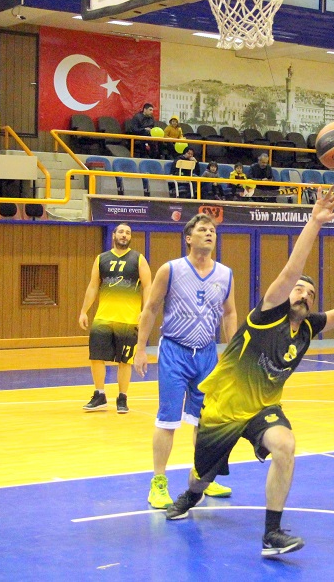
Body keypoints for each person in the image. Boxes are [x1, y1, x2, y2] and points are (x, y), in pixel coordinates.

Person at [165, 187, 334, 557]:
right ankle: (191, 496)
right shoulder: (266, 315)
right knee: (203, 475)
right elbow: (291, 271)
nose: (303, 295)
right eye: (298, 290)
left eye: (310, 293)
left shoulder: (307, 328)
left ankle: (271, 534)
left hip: (263, 409)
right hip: (225, 408)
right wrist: (315, 222)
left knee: (285, 446)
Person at [134, 214, 238, 509]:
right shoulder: (171, 270)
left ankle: (203, 476)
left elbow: (230, 313)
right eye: (202, 229)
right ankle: (158, 482)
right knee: (168, 419)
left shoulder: (225, 274)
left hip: (206, 354)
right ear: (188, 238)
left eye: (212, 230)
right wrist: (140, 348)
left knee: (205, 421)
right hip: (174, 352)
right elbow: (150, 308)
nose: (209, 233)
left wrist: (233, 355)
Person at [78, 223, 152, 413]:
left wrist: (146, 310)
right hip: (103, 317)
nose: (124, 235)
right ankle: (100, 395)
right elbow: (93, 286)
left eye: (128, 232)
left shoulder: (139, 259)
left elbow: (148, 286)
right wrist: (84, 311)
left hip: (128, 319)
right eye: (121, 232)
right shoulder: (101, 258)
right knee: (96, 356)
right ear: (114, 235)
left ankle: (122, 397)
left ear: (130, 237)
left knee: (124, 360)